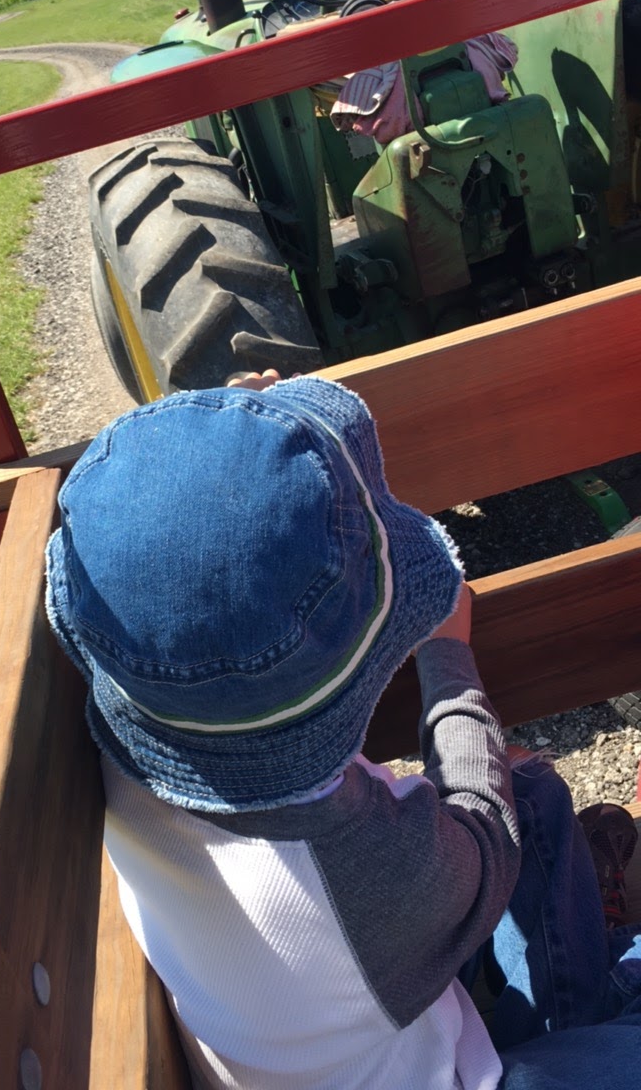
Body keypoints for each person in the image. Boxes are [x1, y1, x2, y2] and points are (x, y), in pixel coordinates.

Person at [46, 371, 641, 1089]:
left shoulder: (137, 703)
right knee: (519, 810)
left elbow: (196, 578)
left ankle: (593, 996)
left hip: (359, 989)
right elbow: (487, 833)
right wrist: (448, 655)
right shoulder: (367, 875)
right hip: (461, 1071)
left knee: (534, 790)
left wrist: (246, 429)